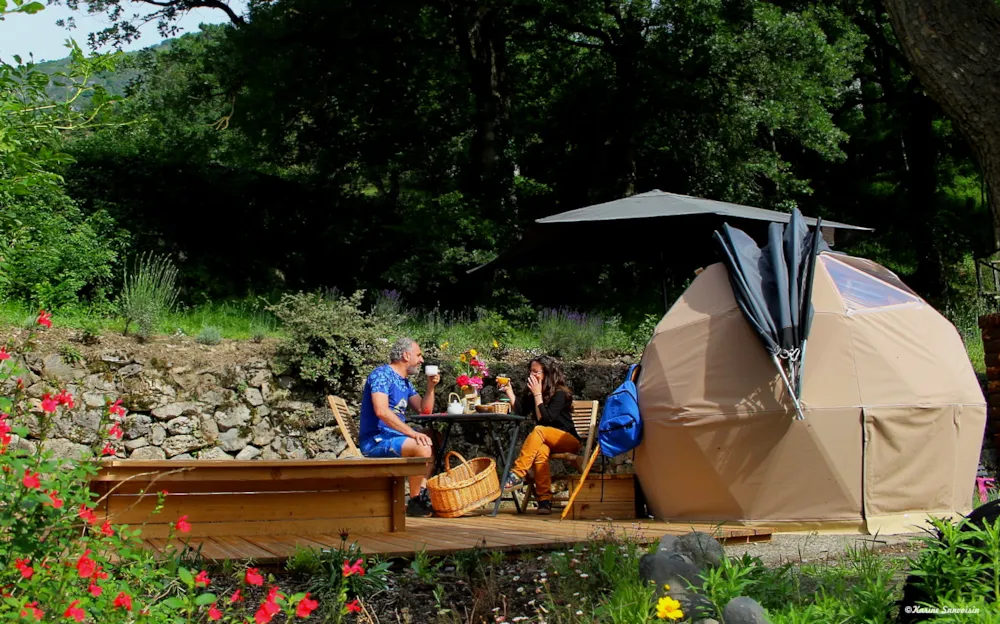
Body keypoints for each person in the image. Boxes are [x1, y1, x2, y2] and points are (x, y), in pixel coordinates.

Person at [359, 337, 440, 517]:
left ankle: (421, 494)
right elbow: (381, 411)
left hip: (393, 438)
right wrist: (412, 434)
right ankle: (415, 500)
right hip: (376, 440)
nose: (421, 360)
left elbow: (424, 409)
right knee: (422, 445)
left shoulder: (404, 382)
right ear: (406, 355)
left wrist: (430, 387)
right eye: (418, 355)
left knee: (434, 436)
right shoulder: (381, 375)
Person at [499, 355, 581, 515]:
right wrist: (509, 391)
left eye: (536, 372)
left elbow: (547, 419)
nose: (532, 375)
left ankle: (517, 473)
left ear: (547, 374)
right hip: (546, 440)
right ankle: (544, 501)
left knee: (539, 430)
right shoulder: (534, 393)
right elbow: (521, 412)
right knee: (540, 452)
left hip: (568, 440)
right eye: (531, 371)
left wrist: (537, 395)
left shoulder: (560, 394)